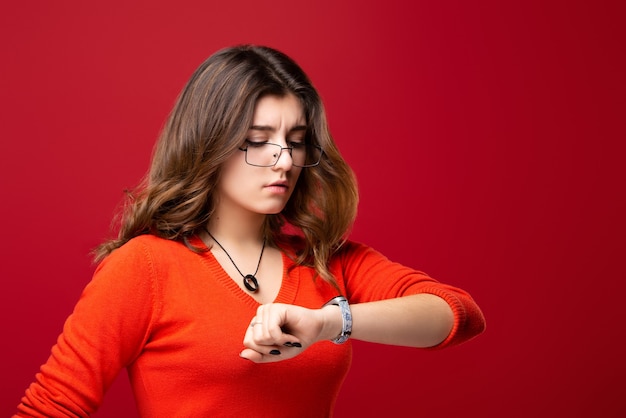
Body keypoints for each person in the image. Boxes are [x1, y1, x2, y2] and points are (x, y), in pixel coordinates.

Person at [15, 45, 486, 417]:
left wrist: (328, 323)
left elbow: (458, 315)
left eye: (296, 141)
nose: (284, 158)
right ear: (210, 144)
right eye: (259, 141)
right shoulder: (146, 268)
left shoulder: (325, 261)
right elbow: (51, 407)